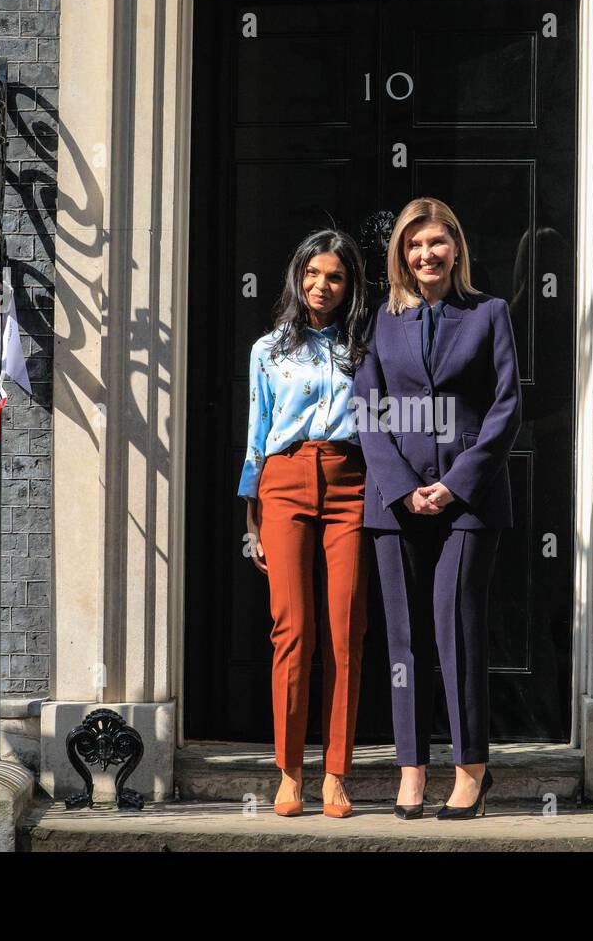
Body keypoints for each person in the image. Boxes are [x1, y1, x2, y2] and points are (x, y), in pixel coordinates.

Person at [352, 197, 521, 819]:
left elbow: (507, 408)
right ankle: (411, 771)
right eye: (414, 245)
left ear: (456, 248)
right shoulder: (380, 321)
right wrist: (401, 486)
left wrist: (453, 484)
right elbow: (368, 411)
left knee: (457, 631)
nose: (426, 255)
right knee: (404, 640)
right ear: (401, 254)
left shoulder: (490, 314)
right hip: (394, 505)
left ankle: (472, 769)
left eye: (436, 243)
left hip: (469, 503)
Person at [237, 229, 370, 818]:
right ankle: (289, 770)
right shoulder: (267, 350)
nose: (322, 286)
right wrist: (252, 514)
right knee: (292, 630)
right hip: (283, 482)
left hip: (351, 482)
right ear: (298, 277)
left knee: (345, 631)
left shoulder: (366, 345)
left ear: (349, 286)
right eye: (313, 274)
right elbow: (255, 432)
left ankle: (336, 773)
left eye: (335, 277)